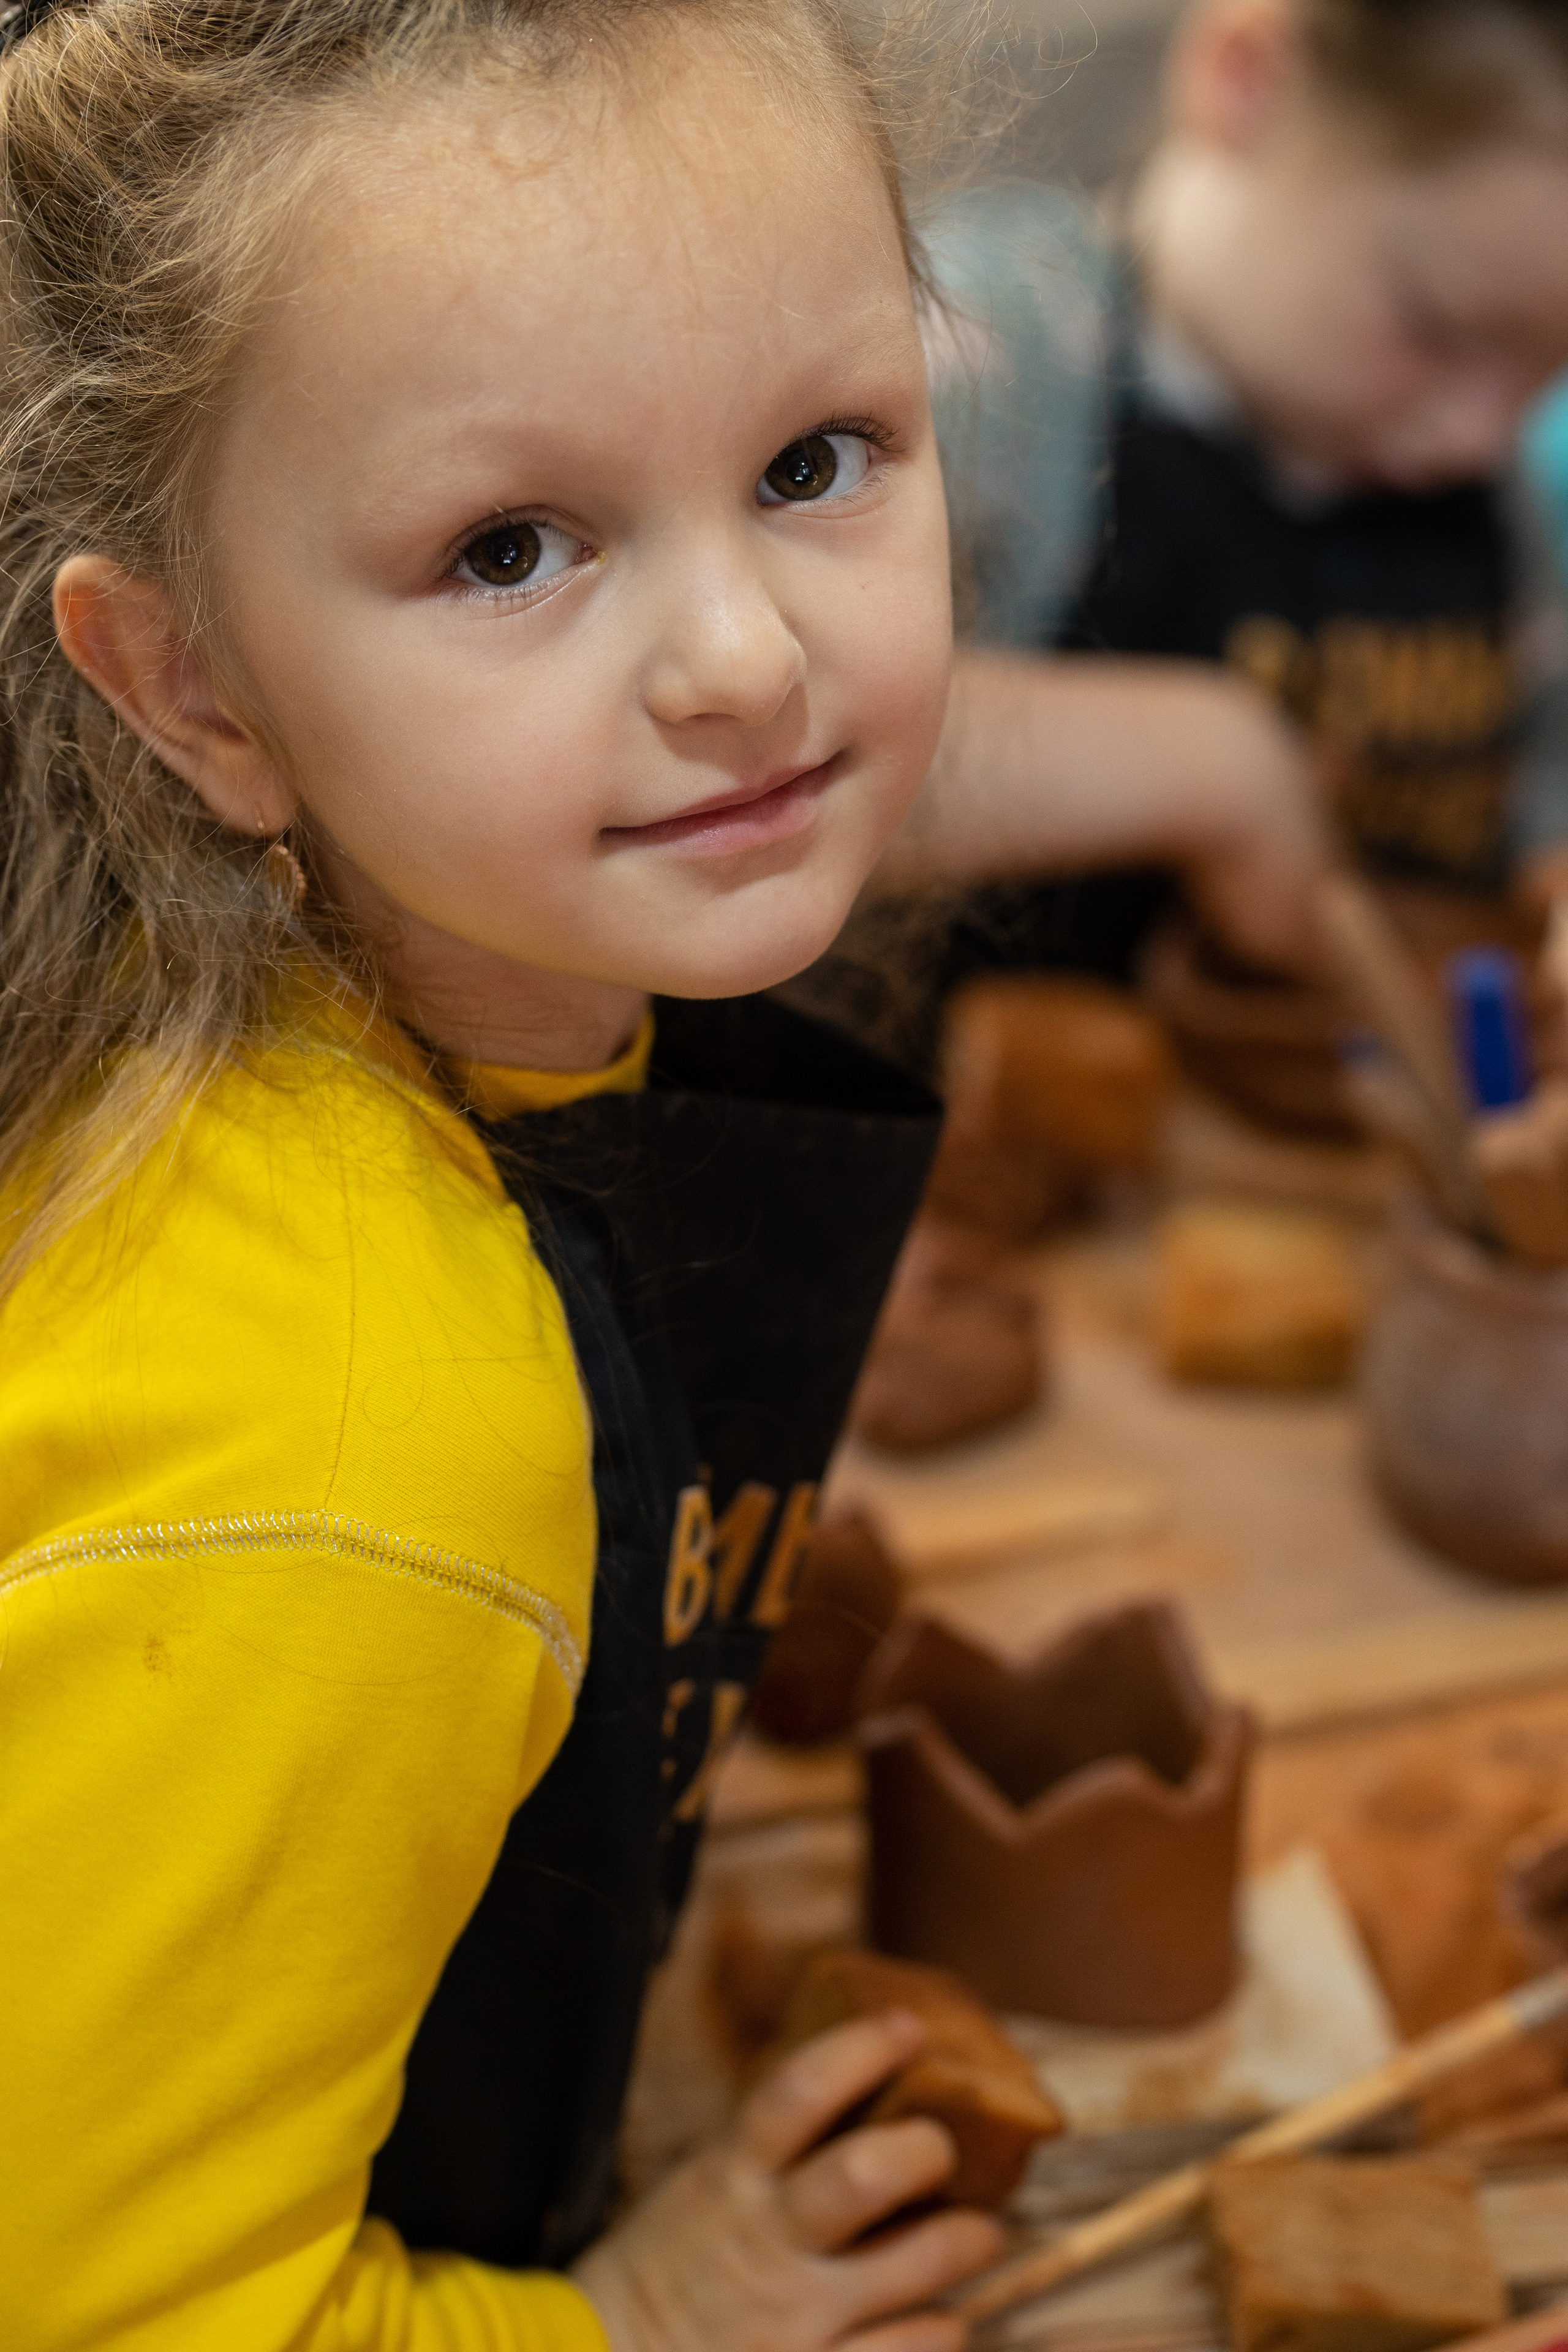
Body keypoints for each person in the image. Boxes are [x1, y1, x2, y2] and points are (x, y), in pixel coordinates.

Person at [0, 0, 1152, 2344]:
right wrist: (643, 2323)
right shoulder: (366, 1454)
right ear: (194, 692)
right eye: (510, 546)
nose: (742, 656)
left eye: (818, 458)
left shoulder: (399, 1000)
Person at [896, 0, 1568, 1004]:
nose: (1482, 435)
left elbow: (1543, 789)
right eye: (1434, 324)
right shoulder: (974, 360)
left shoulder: (1499, 495)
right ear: (1248, 82)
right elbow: (761, 759)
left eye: (1550, 372)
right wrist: (1215, 769)